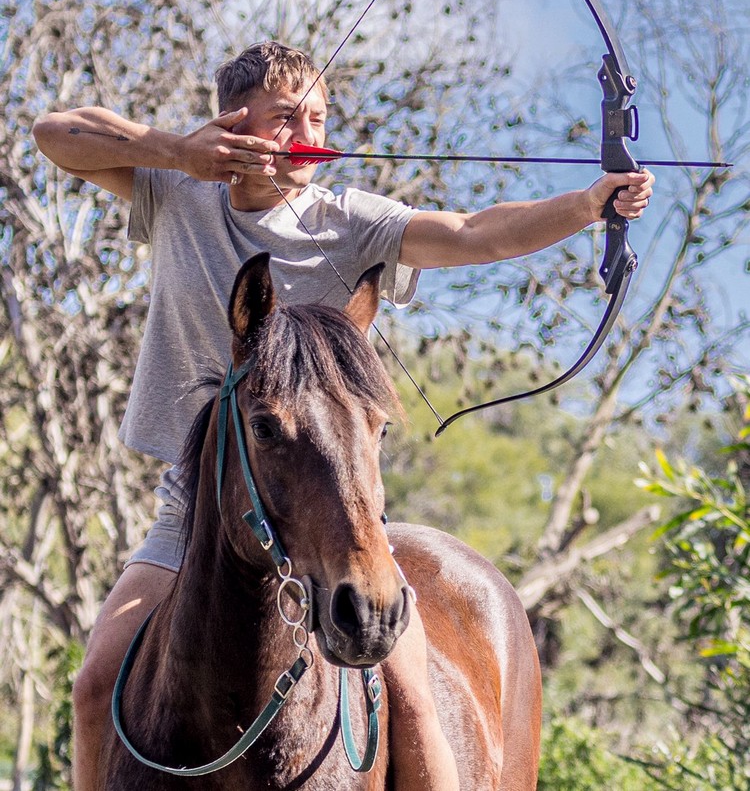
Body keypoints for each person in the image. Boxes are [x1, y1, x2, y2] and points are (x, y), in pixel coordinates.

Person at [33, 41, 654, 790]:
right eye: (285, 118)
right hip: (195, 505)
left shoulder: (347, 221)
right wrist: (180, 152)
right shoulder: (174, 192)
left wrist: (589, 206)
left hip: (334, 501)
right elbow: (53, 133)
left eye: (319, 117)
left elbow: (473, 231)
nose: (308, 134)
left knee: (415, 695)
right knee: (95, 680)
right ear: (235, 123)